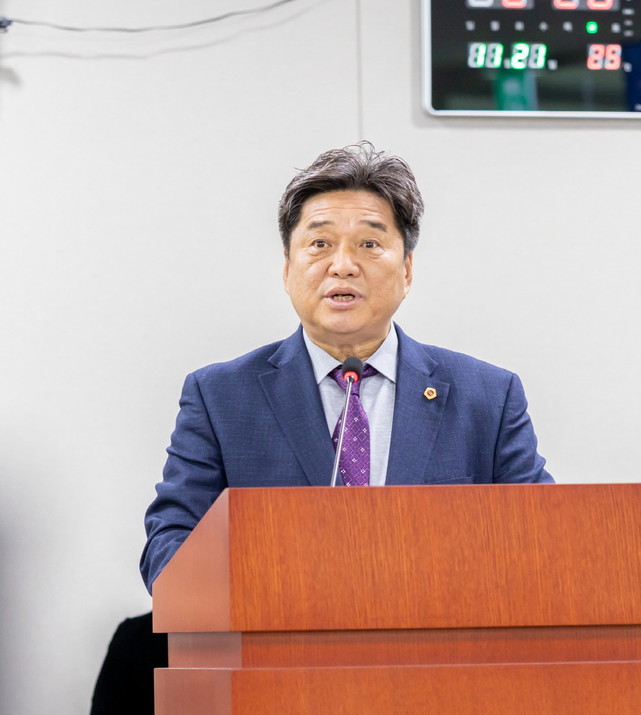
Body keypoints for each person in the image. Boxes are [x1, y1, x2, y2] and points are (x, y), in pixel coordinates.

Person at [140, 143, 553, 590]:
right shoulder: (220, 398)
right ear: (287, 269)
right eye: (320, 244)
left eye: (369, 244)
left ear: (407, 270)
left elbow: (546, 539)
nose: (342, 266)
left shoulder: (487, 397)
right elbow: (171, 547)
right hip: (282, 632)